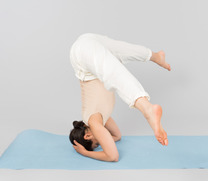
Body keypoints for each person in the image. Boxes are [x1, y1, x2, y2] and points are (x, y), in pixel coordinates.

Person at [69, 33, 171, 162]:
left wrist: (85, 153)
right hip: (88, 42)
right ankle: (156, 56)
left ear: (88, 136)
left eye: (96, 144)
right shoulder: (101, 119)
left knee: (113, 74)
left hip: (81, 56)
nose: (100, 144)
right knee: (122, 52)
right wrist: (101, 140)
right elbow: (117, 136)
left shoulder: (94, 123)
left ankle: (147, 108)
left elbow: (112, 156)